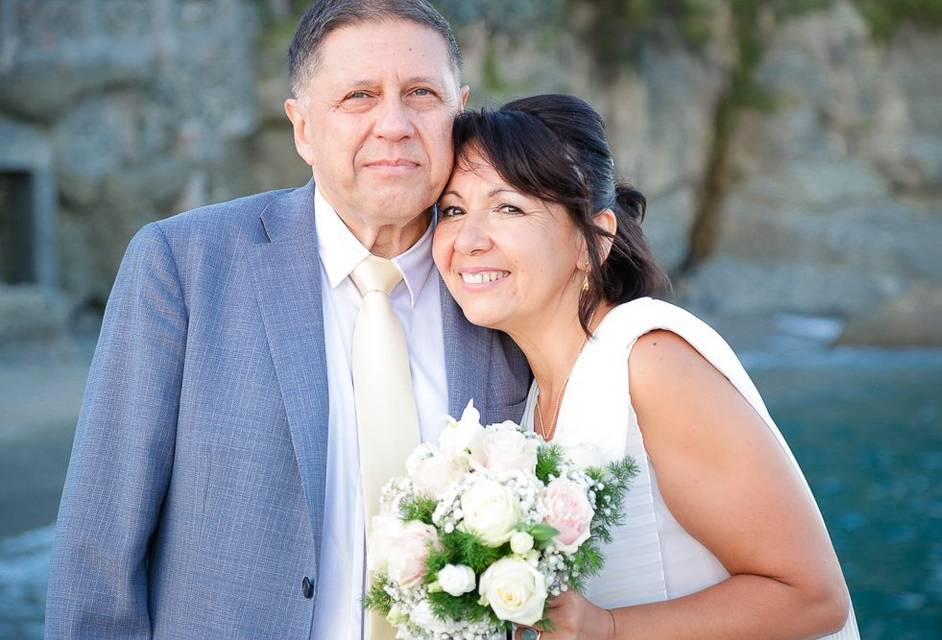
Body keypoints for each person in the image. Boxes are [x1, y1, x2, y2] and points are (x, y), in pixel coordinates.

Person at [44, 2, 528, 638]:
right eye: (359, 96)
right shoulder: (184, 267)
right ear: (303, 128)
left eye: (420, 93)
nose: (394, 123)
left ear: (457, 113)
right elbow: (97, 558)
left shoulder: (505, 284)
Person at [433, 94, 861, 640]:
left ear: (597, 238)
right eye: (452, 209)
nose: (469, 240)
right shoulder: (528, 404)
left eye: (508, 207)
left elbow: (812, 597)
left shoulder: (649, 363)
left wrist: (609, 629)